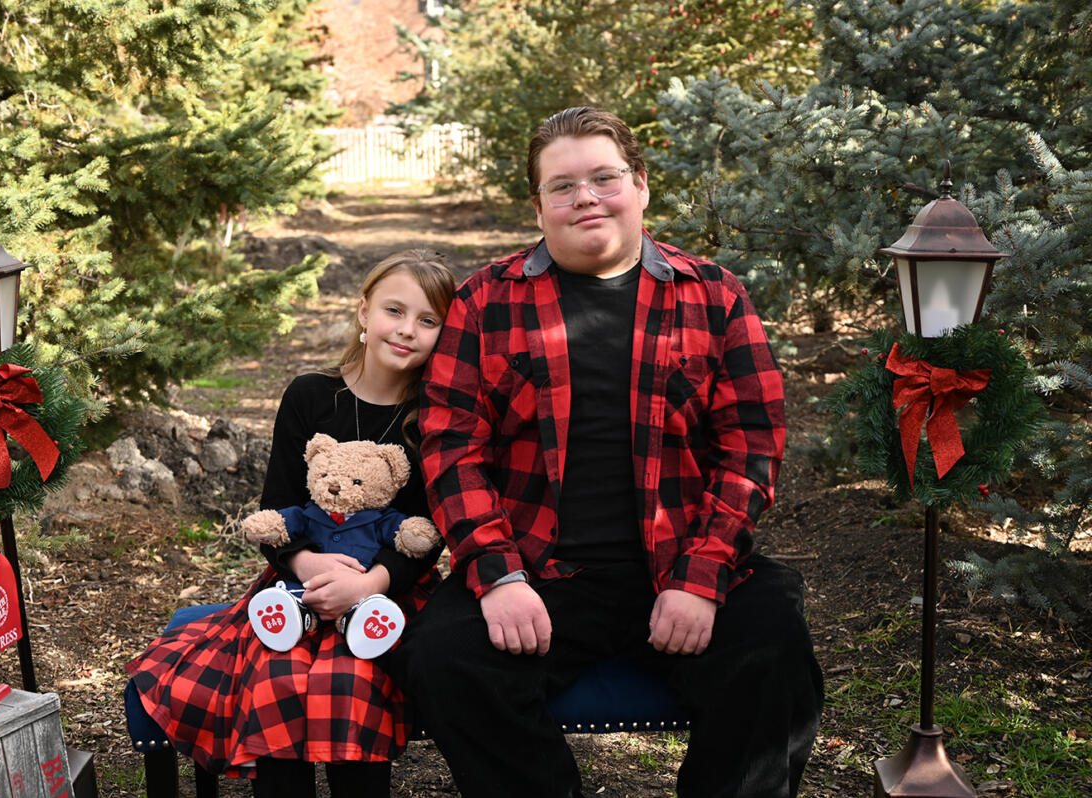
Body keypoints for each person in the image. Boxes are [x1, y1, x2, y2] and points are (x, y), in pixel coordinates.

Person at [384, 108, 825, 798]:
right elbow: (452, 448)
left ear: (640, 185)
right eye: (562, 186)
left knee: (774, 650)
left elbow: (752, 449)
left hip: (680, 561)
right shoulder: (485, 302)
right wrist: (498, 577)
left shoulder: (714, 296)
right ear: (539, 208)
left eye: (604, 178)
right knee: (446, 659)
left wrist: (700, 577)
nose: (585, 197)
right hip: (541, 571)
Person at [127, 249, 456, 798]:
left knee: (352, 682)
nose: (406, 330)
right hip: (296, 583)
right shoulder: (310, 396)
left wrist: (367, 586)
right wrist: (305, 564)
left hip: (389, 591)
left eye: (428, 320)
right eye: (394, 310)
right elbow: (277, 505)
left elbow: (427, 529)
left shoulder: (434, 414)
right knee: (274, 680)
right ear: (364, 311)